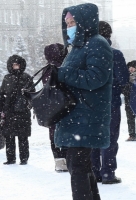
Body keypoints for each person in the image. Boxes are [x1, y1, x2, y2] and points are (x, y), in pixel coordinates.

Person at [55, 3, 113, 200]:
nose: (69, 26)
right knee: (81, 169)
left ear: (85, 23)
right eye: (67, 23)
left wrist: (63, 73)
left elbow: (97, 77)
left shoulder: (97, 43)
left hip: (86, 117)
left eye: (73, 22)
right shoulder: (77, 48)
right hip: (77, 117)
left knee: (78, 169)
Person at [91, 21, 129, 185]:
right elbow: (123, 79)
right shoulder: (115, 54)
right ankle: (107, 173)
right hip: (110, 103)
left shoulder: (86, 54)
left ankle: (94, 172)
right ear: (109, 34)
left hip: (90, 104)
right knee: (109, 139)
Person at [0, 54, 34, 165]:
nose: (15, 67)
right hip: (9, 112)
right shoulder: (7, 78)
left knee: (23, 138)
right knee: (9, 137)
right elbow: (2, 94)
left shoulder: (26, 77)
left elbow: (32, 95)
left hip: (23, 113)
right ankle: (11, 159)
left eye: (17, 64)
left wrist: (28, 104)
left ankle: (24, 159)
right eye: (13, 65)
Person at [42, 43, 68, 172]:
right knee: (66, 132)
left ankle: (59, 161)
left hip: (51, 108)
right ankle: (67, 160)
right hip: (65, 106)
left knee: (54, 134)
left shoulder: (46, 69)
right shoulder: (63, 67)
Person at [122, 60, 136, 141]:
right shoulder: (126, 77)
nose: (131, 69)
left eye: (133, 67)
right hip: (129, 100)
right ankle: (132, 135)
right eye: (130, 67)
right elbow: (123, 88)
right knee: (130, 117)